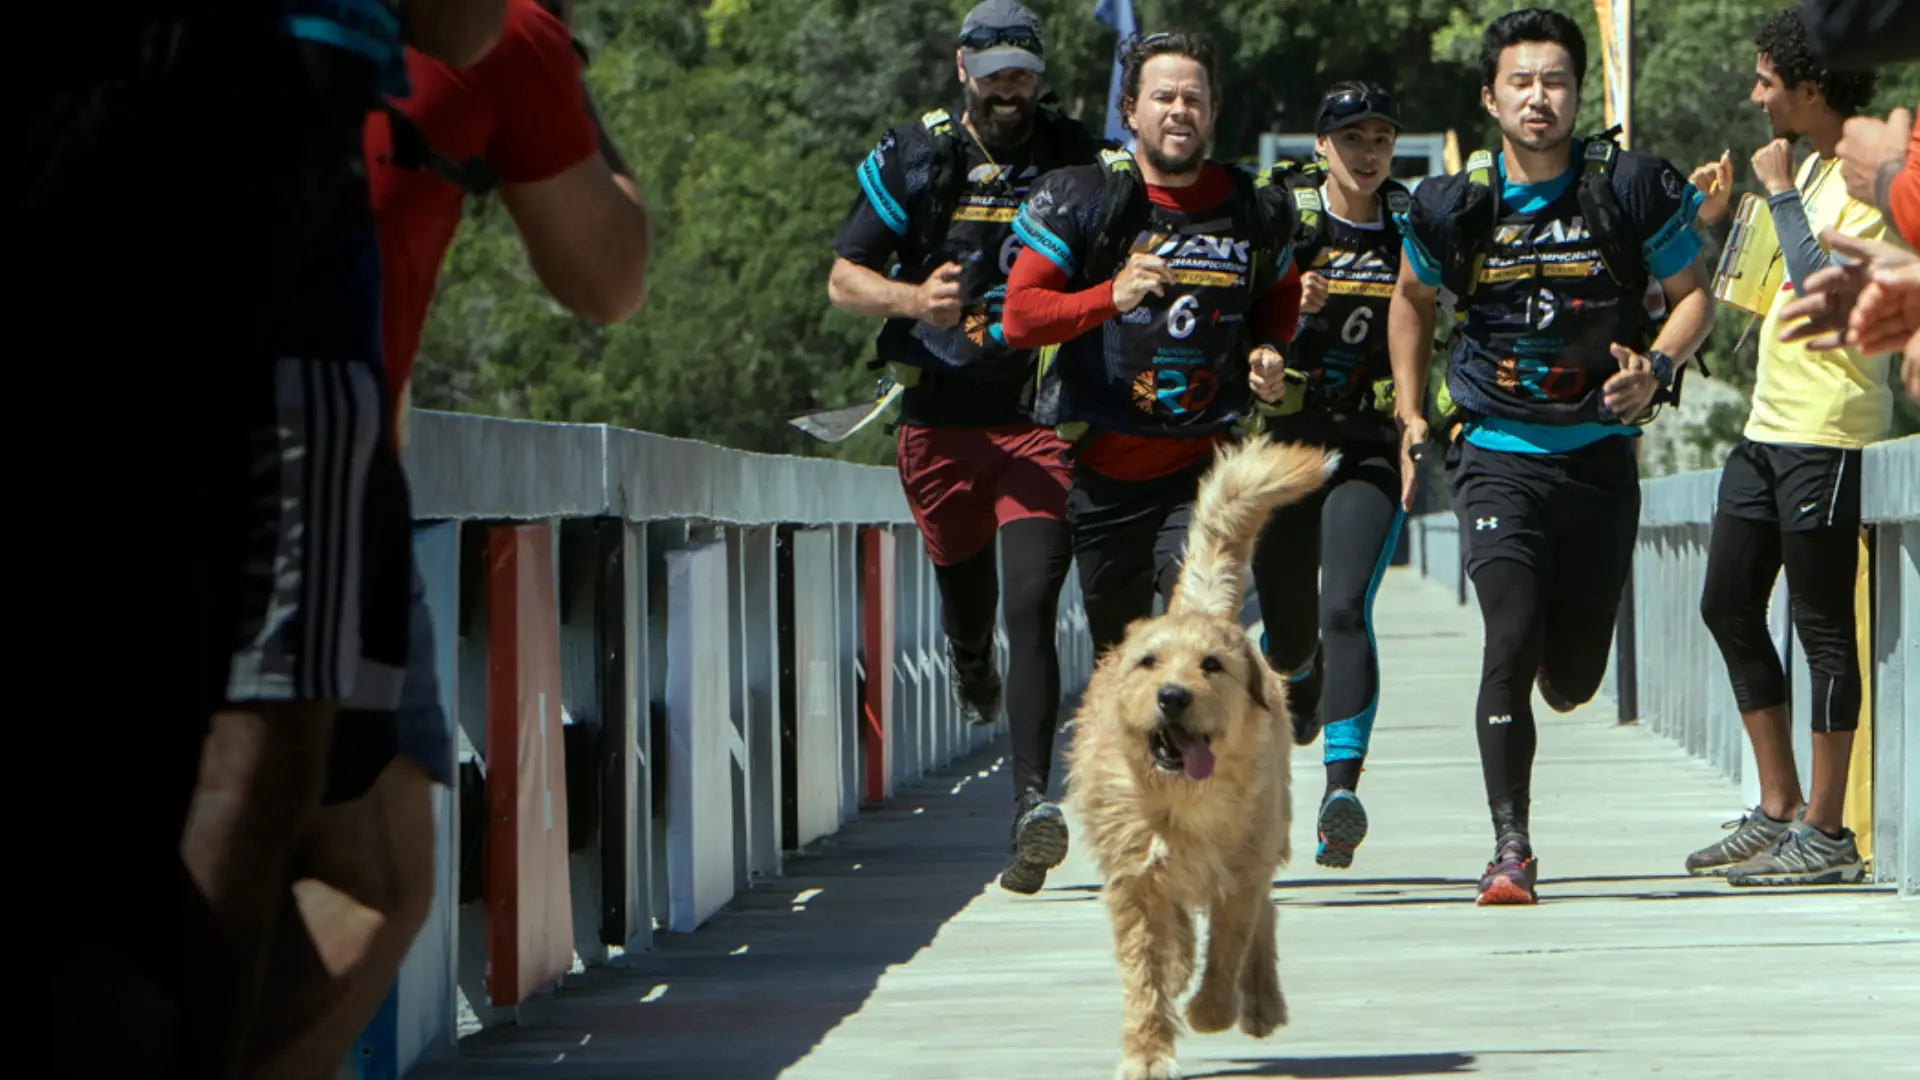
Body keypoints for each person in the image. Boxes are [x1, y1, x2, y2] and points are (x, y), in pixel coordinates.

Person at [240, 2, 652, 1075]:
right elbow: (608, 273)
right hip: (308, 474)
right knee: (341, 878)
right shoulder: (502, 30)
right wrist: (561, 55)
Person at [1386, 8, 1717, 905]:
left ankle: (1554, 660)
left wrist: (1656, 369)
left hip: (1600, 458)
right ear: (1490, 98)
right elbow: (1411, 300)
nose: (1540, 97)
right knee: (1509, 635)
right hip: (1496, 450)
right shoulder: (1451, 204)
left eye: (1557, 81)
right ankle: (1510, 846)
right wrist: (1412, 414)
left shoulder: (1630, 188)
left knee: (1572, 679)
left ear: (1579, 94)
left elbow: (1694, 296)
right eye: (1522, 82)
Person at [827, 0, 1104, 895]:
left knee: (1032, 605)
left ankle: (1030, 807)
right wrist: (915, 302)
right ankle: (968, 659)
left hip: (1036, 417)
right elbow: (842, 279)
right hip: (939, 417)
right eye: (994, 76)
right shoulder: (917, 156)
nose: (1009, 90)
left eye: (1021, 73)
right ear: (963, 71)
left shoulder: (1076, 156)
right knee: (969, 600)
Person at [1682, 6, 1897, 888]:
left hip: (1829, 429)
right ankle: (1777, 806)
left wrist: (1776, 194)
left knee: (1822, 630)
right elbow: (1762, 288)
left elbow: (1828, 294)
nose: (1755, 95)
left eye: (1766, 81)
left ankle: (1827, 830)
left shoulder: (1876, 175)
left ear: (1812, 87)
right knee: (1726, 604)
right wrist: (1718, 220)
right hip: (1768, 429)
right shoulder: (1807, 166)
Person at [1244, 81, 1413, 871]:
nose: (1368, 154)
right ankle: (1300, 674)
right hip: (1288, 447)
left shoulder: (1410, 224)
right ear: (1321, 146)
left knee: (1346, 604)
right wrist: (1285, 304)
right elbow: (1233, 311)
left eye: (1380, 139)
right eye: (1351, 139)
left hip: (1369, 443)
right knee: (1288, 634)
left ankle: (1340, 794)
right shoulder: (1289, 219)